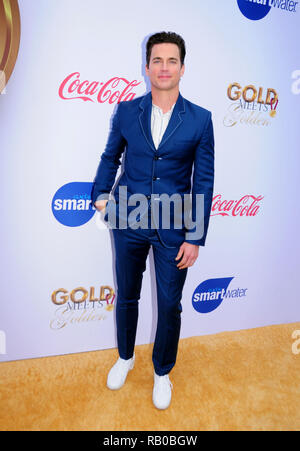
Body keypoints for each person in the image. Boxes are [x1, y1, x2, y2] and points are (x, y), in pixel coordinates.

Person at [91, 31, 215, 410]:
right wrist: (100, 193)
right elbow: (111, 156)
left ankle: (162, 371)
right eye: (157, 60)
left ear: (182, 67)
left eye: (171, 61)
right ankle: (126, 357)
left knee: (169, 303)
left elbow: (203, 181)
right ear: (147, 67)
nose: (164, 67)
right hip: (127, 219)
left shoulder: (200, 119)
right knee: (127, 295)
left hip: (174, 228)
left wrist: (195, 236)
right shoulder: (128, 111)